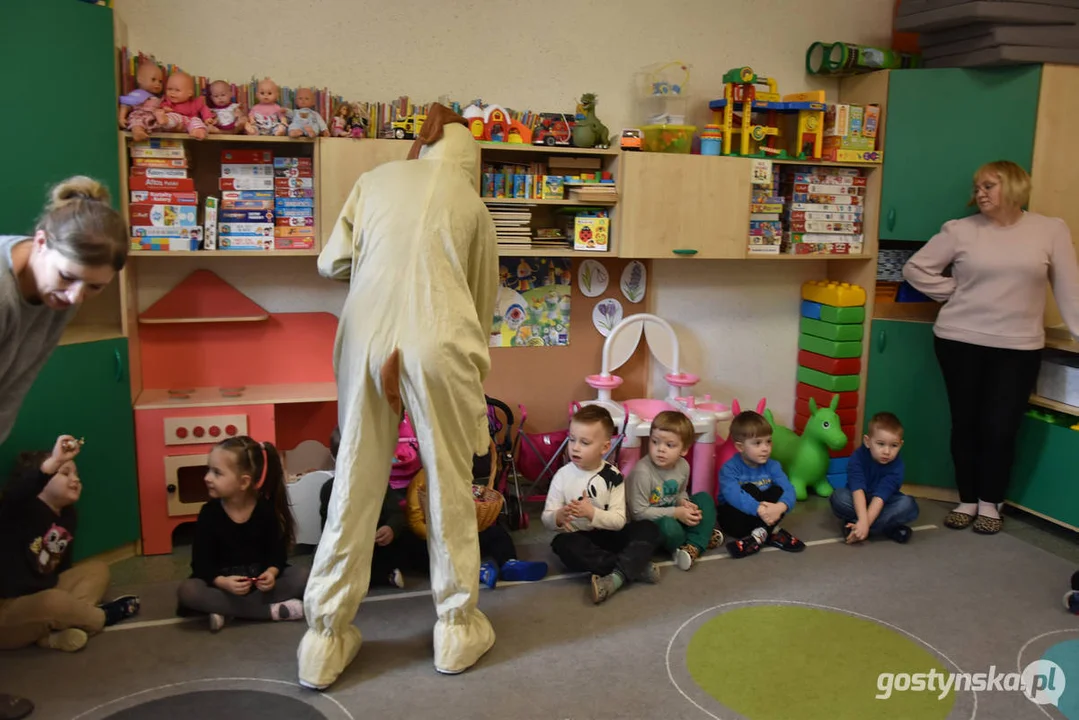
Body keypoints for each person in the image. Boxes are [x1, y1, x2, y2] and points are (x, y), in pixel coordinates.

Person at [301, 104, 500, 688]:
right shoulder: (475, 207)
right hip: (439, 335)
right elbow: (480, 306)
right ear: (471, 163)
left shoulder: (375, 180)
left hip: (363, 332)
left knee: (356, 480)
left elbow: (331, 260)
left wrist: (377, 270)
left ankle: (323, 638)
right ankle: (456, 631)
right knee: (447, 483)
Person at [0, 176, 127, 720]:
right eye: (71, 279)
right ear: (42, 243)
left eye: (95, 288)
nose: (75, 297)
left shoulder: (56, 293)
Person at [903, 160, 1079, 535]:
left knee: (1000, 428)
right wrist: (954, 292)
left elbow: (1069, 291)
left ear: (1014, 186)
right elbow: (916, 268)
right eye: (977, 187)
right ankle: (967, 499)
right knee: (966, 423)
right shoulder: (960, 230)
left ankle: (990, 503)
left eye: (988, 186)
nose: (979, 193)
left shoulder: (1050, 231)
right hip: (959, 341)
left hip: (1019, 347)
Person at [0, 436, 139, 652]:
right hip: (8, 609)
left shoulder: (67, 516)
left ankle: (53, 634)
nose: (75, 479)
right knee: (53, 602)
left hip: (45, 592)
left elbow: (59, 566)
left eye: (76, 474)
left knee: (97, 570)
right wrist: (52, 463)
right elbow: (17, 494)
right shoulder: (20, 509)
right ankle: (101, 617)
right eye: (65, 473)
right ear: (42, 483)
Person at [176, 436, 309, 632]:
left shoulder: (265, 511)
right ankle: (270, 612)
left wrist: (271, 573)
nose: (207, 478)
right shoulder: (209, 513)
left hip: (258, 588)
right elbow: (201, 564)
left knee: (303, 576)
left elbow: (277, 554)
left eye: (217, 473)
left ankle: (224, 610)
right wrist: (222, 582)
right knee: (188, 591)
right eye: (208, 470)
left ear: (244, 482)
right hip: (222, 588)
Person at [542, 405, 662, 605]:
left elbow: (618, 521)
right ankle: (633, 567)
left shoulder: (613, 476)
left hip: (610, 534)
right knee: (562, 544)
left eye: (585, 442)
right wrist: (558, 516)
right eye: (572, 439)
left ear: (605, 447)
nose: (575, 447)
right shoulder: (562, 476)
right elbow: (547, 519)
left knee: (649, 528)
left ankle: (617, 575)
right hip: (581, 538)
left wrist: (591, 513)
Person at [627, 410, 722, 570]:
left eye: (669, 445)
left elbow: (680, 492)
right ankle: (699, 539)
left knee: (704, 499)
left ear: (684, 449)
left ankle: (692, 546)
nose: (660, 449)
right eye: (655, 442)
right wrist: (676, 512)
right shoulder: (642, 472)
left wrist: (684, 502)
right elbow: (638, 513)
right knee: (669, 527)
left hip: (673, 511)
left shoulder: (683, 466)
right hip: (651, 521)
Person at [717, 410, 806, 559]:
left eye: (768, 441)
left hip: (764, 514)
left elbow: (789, 489)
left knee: (778, 490)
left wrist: (780, 507)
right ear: (740, 447)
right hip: (735, 518)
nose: (765, 448)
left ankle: (758, 536)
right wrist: (759, 509)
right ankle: (771, 531)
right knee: (749, 489)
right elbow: (732, 495)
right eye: (757, 443)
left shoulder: (773, 466)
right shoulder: (730, 468)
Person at [829, 412, 920, 544]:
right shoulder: (858, 458)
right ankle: (887, 528)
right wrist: (864, 521)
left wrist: (864, 525)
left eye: (894, 445)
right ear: (867, 442)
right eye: (881, 444)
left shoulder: (897, 466)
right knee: (838, 497)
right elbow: (857, 489)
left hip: (883, 503)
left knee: (907, 504)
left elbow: (880, 497)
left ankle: (856, 526)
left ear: (901, 444)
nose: (887, 452)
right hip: (858, 500)